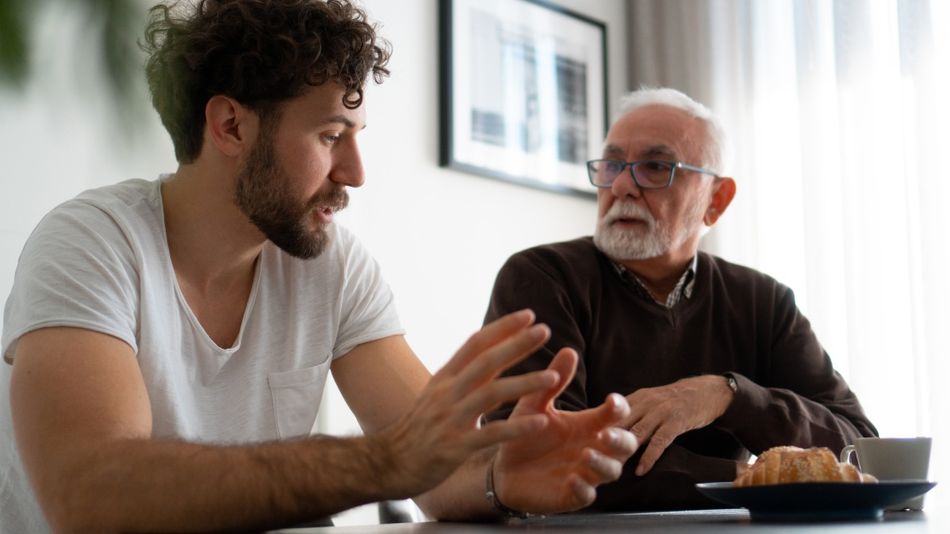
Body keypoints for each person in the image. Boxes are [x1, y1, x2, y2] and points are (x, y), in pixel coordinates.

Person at [0, 1, 639, 531]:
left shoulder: (331, 262)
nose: (356, 174)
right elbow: (91, 497)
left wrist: (501, 475)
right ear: (229, 125)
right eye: (331, 136)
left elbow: (434, 470)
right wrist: (382, 463)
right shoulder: (89, 244)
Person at [483, 87, 878, 511]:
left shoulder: (764, 302)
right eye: (613, 164)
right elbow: (541, 458)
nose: (621, 186)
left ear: (717, 200)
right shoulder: (541, 278)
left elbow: (860, 450)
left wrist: (728, 397)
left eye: (655, 167)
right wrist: (743, 479)